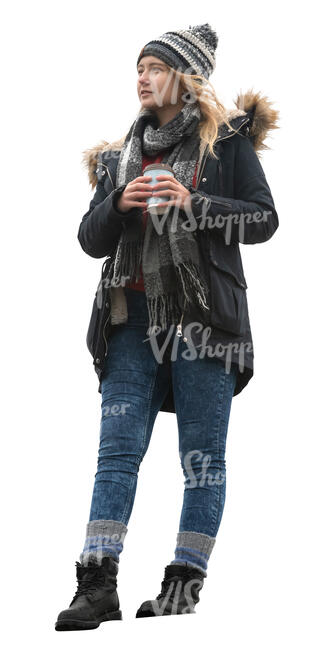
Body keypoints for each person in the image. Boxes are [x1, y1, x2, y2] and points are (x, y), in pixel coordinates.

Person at [55, 23, 279, 630]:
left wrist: (194, 204)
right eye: (138, 67)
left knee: (202, 456)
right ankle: (96, 585)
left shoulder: (225, 145)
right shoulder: (117, 158)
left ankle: (182, 586)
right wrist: (118, 203)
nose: (142, 78)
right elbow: (88, 239)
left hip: (205, 326)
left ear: (184, 78)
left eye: (154, 67)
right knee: (115, 453)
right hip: (130, 322)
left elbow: (263, 220)